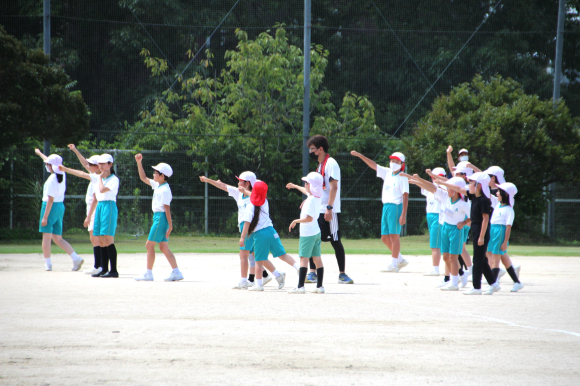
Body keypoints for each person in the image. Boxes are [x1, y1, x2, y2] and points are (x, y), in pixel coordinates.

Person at [199, 171, 271, 288]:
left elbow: (255, 199)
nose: (238, 183)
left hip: (250, 228)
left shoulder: (255, 197)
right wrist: (208, 180)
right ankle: (273, 274)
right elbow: (223, 186)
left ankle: (244, 281)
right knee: (254, 254)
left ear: (247, 183)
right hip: (246, 227)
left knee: (243, 255)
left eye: (240, 181)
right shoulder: (239, 193)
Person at [351, 150, 409, 272]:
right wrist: (361, 155)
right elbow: (374, 165)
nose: (393, 163)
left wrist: (403, 214)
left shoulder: (402, 177)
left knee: (394, 236)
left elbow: (405, 196)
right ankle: (400, 259)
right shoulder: (388, 172)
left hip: (395, 206)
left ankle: (394, 265)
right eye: (392, 160)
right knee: (384, 237)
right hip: (386, 206)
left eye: (396, 161)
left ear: (402, 164)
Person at [306, 135, 353, 284]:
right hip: (318, 209)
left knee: (335, 241)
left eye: (312, 149)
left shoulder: (331, 163)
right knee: (313, 239)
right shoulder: (320, 166)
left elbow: (334, 187)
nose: (310, 152)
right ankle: (312, 273)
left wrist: (329, 208)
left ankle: (342, 274)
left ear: (320, 149)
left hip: (329, 210)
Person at [239, 181, 298, 291]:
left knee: (258, 260)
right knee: (283, 255)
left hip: (260, 234)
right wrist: (246, 191)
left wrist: (242, 237)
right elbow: (256, 196)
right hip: (271, 231)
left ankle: (259, 285)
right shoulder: (265, 202)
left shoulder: (250, 206)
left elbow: (246, 223)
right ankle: (298, 267)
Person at [134, 154, 183, 282]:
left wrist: (170, 226)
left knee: (149, 245)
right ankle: (176, 272)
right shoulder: (158, 185)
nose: (153, 174)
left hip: (161, 218)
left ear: (162, 176)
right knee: (163, 247)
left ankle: (148, 274)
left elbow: (167, 209)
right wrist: (139, 162)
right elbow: (143, 177)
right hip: (159, 217)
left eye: (156, 172)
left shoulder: (165, 190)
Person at [34, 149, 84, 271]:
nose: (46, 165)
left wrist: (45, 217)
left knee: (46, 237)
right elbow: (50, 161)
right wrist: (40, 153)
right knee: (58, 238)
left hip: (49, 207)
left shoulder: (52, 179)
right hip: (60, 207)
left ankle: (48, 264)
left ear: (52, 166)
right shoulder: (62, 173)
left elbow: (50, 199)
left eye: (48, 164)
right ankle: (75, 258)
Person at [60, 144, 103, 275]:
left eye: (91, 164)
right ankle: (99, 265)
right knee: (94, 236)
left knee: (95, 237)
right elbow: (85, 165)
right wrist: (75, 151)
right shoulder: (96, 174)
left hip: (94, 208)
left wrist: (66, 169)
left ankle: (99, 265)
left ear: (98, 166)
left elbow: (82, 173)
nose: (88, 165)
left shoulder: (97, 177)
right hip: (91, 207)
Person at [286, 172, 325, 294]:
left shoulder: (309, 201)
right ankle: (319, 287)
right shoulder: (318, 196)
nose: (305, 185)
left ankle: (300, 287)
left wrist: (295, 221)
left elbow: (309, 218)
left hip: (307, 234)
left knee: (304, 259)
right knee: (317, 258)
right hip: (316, 232)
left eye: (306, 183)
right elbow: (307, 191)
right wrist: (295, 186)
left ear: (311, 185)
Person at [86, 154, 120, 278]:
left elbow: (102, 190)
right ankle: (104, 269)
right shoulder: (99, 178)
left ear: (110, 164)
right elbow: (82, 173)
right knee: (100, 238)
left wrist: (99, 178)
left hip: (109, 206)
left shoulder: (113, 179)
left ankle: (114, 270)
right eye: (99, 164)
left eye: (104, 163)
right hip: (100, 206)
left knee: (108, 238)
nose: (101, 166)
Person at [488, 182, 523, 293]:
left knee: (495, 259)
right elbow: (486, 194)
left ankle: (493, 284)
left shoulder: (509, 210)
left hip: (500, 232)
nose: (497, 193)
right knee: (503, 258)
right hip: (493, 230)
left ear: (506, 194)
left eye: (499, 191)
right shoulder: (498, 204)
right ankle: (517, 282)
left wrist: (505, 241)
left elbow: (508, 228)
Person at [421, 167, 446, 276]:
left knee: (435, 244)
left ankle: (435, 269)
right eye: (434, 177)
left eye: (440, 177)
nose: (436, 179)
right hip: (430, 216)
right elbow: (423, 185)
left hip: (438, 216)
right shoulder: (430, 188)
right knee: (434, 243)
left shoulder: (444, 188)